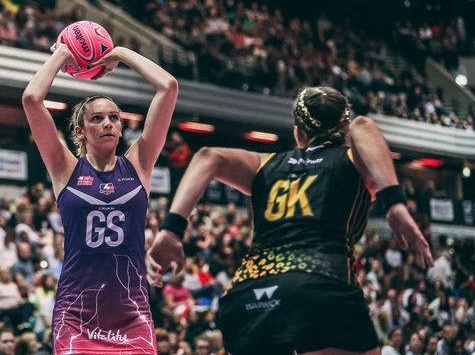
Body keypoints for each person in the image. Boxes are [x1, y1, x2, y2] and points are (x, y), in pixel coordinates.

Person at [147, 87, 433, 355]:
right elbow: (364, 127)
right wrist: (394, 203)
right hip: (320, 288)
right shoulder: (353, 160)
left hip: (248, 297)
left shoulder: (266, 164)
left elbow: (209, 156)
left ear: (298, 133)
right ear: (344, 131)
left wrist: (171, 231)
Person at [22, 41, 178, 354]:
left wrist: (119, 52)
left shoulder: (139, 163)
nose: (107, 123)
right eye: (97, 119)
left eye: (114, 118)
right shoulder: (64, 168)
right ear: (79, 131)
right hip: (76, 313)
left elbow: (168, 86)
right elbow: (31, 99)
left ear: (121, 128)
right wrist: (62, 55)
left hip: (131, 311)